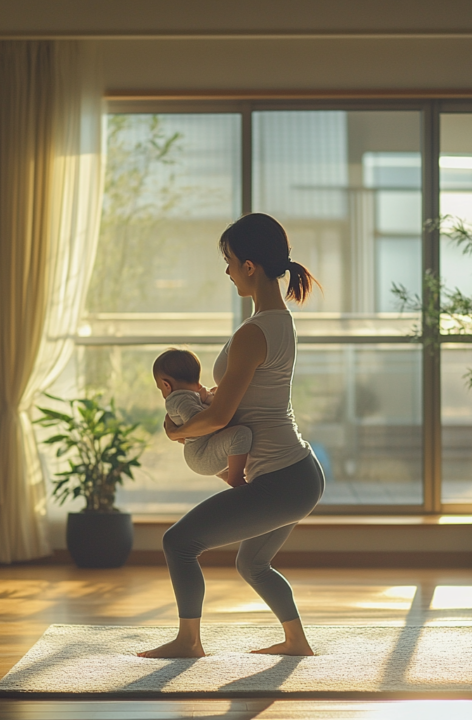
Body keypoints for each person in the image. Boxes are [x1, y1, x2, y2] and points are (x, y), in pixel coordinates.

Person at [137, 212, 325, 659]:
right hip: (298, 473)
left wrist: (178, 431)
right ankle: (296, 642)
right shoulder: (277, 321)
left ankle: (188, 642)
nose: (225, 270)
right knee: (253, 562)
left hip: (284, 479)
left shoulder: (254, 331)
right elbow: (252, 395)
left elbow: (221, 419)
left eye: (229, 259)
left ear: (249, 266)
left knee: (178, 543)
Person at [153, 347, 252, 487]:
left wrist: (209, 398)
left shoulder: (182, 397)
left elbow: (198, 418)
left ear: (166, 384)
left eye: (160, 388)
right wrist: (212, 401)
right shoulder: (180, 399)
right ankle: (235, 477)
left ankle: (229, 474)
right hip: (201, 454)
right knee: (241, 434)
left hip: (202, 452)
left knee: (236, 434)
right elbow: (201, 422)